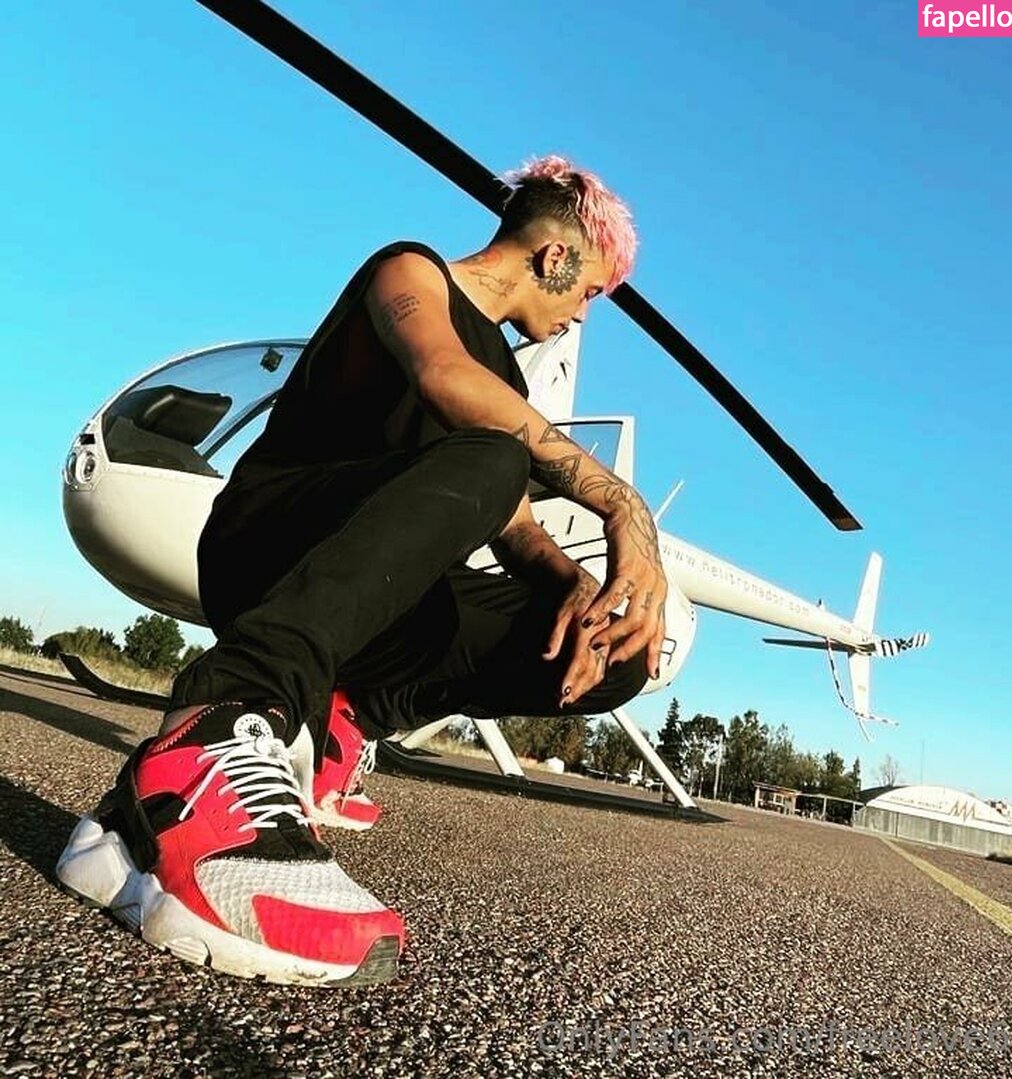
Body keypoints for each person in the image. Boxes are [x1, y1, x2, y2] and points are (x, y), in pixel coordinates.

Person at [56, 156, 669, 987]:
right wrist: (620, 503)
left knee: (615, 654)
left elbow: (516, 529)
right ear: (555, 256)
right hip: (268, 549)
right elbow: (442, 377)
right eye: (588, 291)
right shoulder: (409, 272)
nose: (579, 315)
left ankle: (342, 715)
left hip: (371, 607)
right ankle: (207, 734)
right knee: (497, 456)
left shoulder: (505, 377)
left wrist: (581, 594)